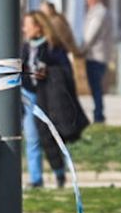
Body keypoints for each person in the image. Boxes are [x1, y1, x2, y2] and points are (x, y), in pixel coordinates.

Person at [20, 10, 88, 188]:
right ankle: (36, 178)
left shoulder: (54, 48)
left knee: (53, 135)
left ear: (38, 27)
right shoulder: (25, 48)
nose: (24, 29)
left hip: (49, 97)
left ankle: (60, 172)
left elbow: (66, 73)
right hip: (29, 96)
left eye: (27, 25)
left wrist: (48, 72)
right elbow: (20, 70)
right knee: (33, 137)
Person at [80, 0, 112, 125]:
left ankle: (99, 115)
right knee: (96, 87)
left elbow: (90, 34)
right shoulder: (101, 12)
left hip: (95, 55)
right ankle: (98, 113)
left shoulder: (98, 13)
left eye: (87, 0)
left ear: (92, 0)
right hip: (99, 54)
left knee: (96, 87)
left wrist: (81, 49)